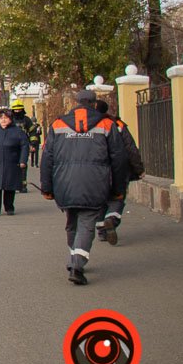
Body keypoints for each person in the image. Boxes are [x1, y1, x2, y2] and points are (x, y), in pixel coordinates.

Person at [40, 89, 129, 286]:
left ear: (76, 102)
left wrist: (46, 187)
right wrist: (118, 187)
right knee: (87, 223)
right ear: (94, 103)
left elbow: (47, 157)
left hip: (64, 183)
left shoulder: (58, 124)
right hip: (95, 182)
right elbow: (118, 157)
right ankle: (77, 266)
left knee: (72, 221)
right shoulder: (106, 124)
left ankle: (74, 257)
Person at [93, 98, 144, 246]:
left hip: (97, 169)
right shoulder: (118, 124)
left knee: (100, 199)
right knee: (117, 197)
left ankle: (102, 230)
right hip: (119, 169)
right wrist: (138, 169)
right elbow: (130, 148)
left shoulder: (89, 126)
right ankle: (112, 219)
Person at [0, 107, 30, 215]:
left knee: (9, 187)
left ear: (11, 119)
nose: (3, 120)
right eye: (1, 118)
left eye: (6, 118)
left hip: (11, 163)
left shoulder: (18, 132)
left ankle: (9, 207)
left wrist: (23, 161)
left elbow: (25, 146)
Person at [10, 98, 37, 191]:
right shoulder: (10, 120)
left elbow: (32, 132)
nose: (17, 111)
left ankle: (23, 185)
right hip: (11, 146)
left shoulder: (27, 120)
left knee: (23, 165)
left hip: (23, 146)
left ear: (22, 109)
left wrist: (33, 144)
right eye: (15, 110)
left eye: (19, 109)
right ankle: (13, 185)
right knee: (12, 166)